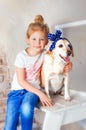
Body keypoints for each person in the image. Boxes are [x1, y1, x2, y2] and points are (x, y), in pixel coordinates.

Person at [4, 15, 72, 130]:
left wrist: (69, 65)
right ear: (27, 39)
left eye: (41, 39)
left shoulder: (46, 54)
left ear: (46, 42)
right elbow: (21, 81)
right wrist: (41, 94)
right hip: (16, 92)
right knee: (10, 121)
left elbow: (59, 57)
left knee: (26, 108)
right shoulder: (21, 56)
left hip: (32, 92)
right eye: (34, 39)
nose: (37, 43)